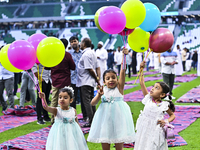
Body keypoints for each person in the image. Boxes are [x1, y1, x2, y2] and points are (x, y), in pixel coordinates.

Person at [87, 48, 135, 150]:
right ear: (104, 81)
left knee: (119, 144)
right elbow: (92, 103)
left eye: (113, 77)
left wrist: (124, 57)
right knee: (105, 143)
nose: (111, 80)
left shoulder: (119, 88)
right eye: (108, 78)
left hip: (119, 119)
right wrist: (99, 95)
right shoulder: (102, 90)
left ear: (117, 79)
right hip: (105, 120)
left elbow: (122, 71)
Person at [134, 61, 175, 150]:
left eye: (157, 88)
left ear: (162, 95)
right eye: (153, 86)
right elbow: (142, 83)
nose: (152, 88)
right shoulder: (148, 98)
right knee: (143, 145)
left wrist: (166, 121)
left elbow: (172, 115)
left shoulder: (164, 105)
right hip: (144, 129)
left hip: (156, 131)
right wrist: (141, 69)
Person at [48, 38, 75, 124]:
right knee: (66, 100)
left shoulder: (53, 55)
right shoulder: (67, 55)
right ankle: (67, 118)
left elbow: (47, 67)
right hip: (66, 81)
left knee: (54, 100)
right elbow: (73, 67)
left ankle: (53, 120)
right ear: (66, 46)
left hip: (55, 80)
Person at [77, 37, 101, 127]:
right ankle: (94, 120)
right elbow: (97, 67)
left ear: (84, 44)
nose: (80, 44)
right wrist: (97, 78)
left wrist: (97, 79)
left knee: (87, 102)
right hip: (89, 81)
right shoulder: (93, 53)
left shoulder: (86, 54)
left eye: (81, 43)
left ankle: (91, 121)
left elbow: (90, 69)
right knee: (92, 101)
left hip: (85, 81)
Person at [68, 36, 82, 109]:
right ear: (70, 44)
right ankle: (73, 115)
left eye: (75, 41)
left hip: (83, 78)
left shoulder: (83, 52)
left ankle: (85, 116)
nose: (73, 43)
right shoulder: (68, 54)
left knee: (83, 99)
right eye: (72, 42)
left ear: (78, 42)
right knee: (72, 99)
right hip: (72, 78)